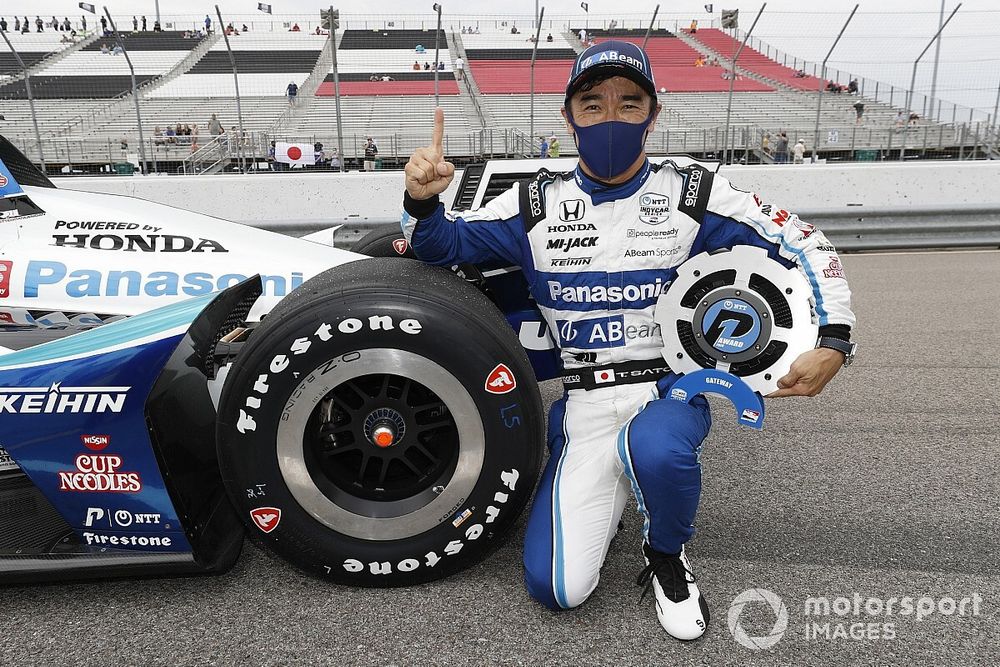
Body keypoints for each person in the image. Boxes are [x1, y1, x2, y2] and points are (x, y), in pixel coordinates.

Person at [400, 39, 855, 643]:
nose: (610, 117)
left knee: (657, 447)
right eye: (592, 104)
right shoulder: (534, 201)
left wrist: (836, 338)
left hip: (666, 394)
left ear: (652, 116)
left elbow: (802, 241)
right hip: (585, 405)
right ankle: (611, 479)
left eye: (629, 103)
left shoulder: (694, 191)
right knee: (557, 589)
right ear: (569, 118)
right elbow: (441, 246)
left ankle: (665, 553)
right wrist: (422, 201)